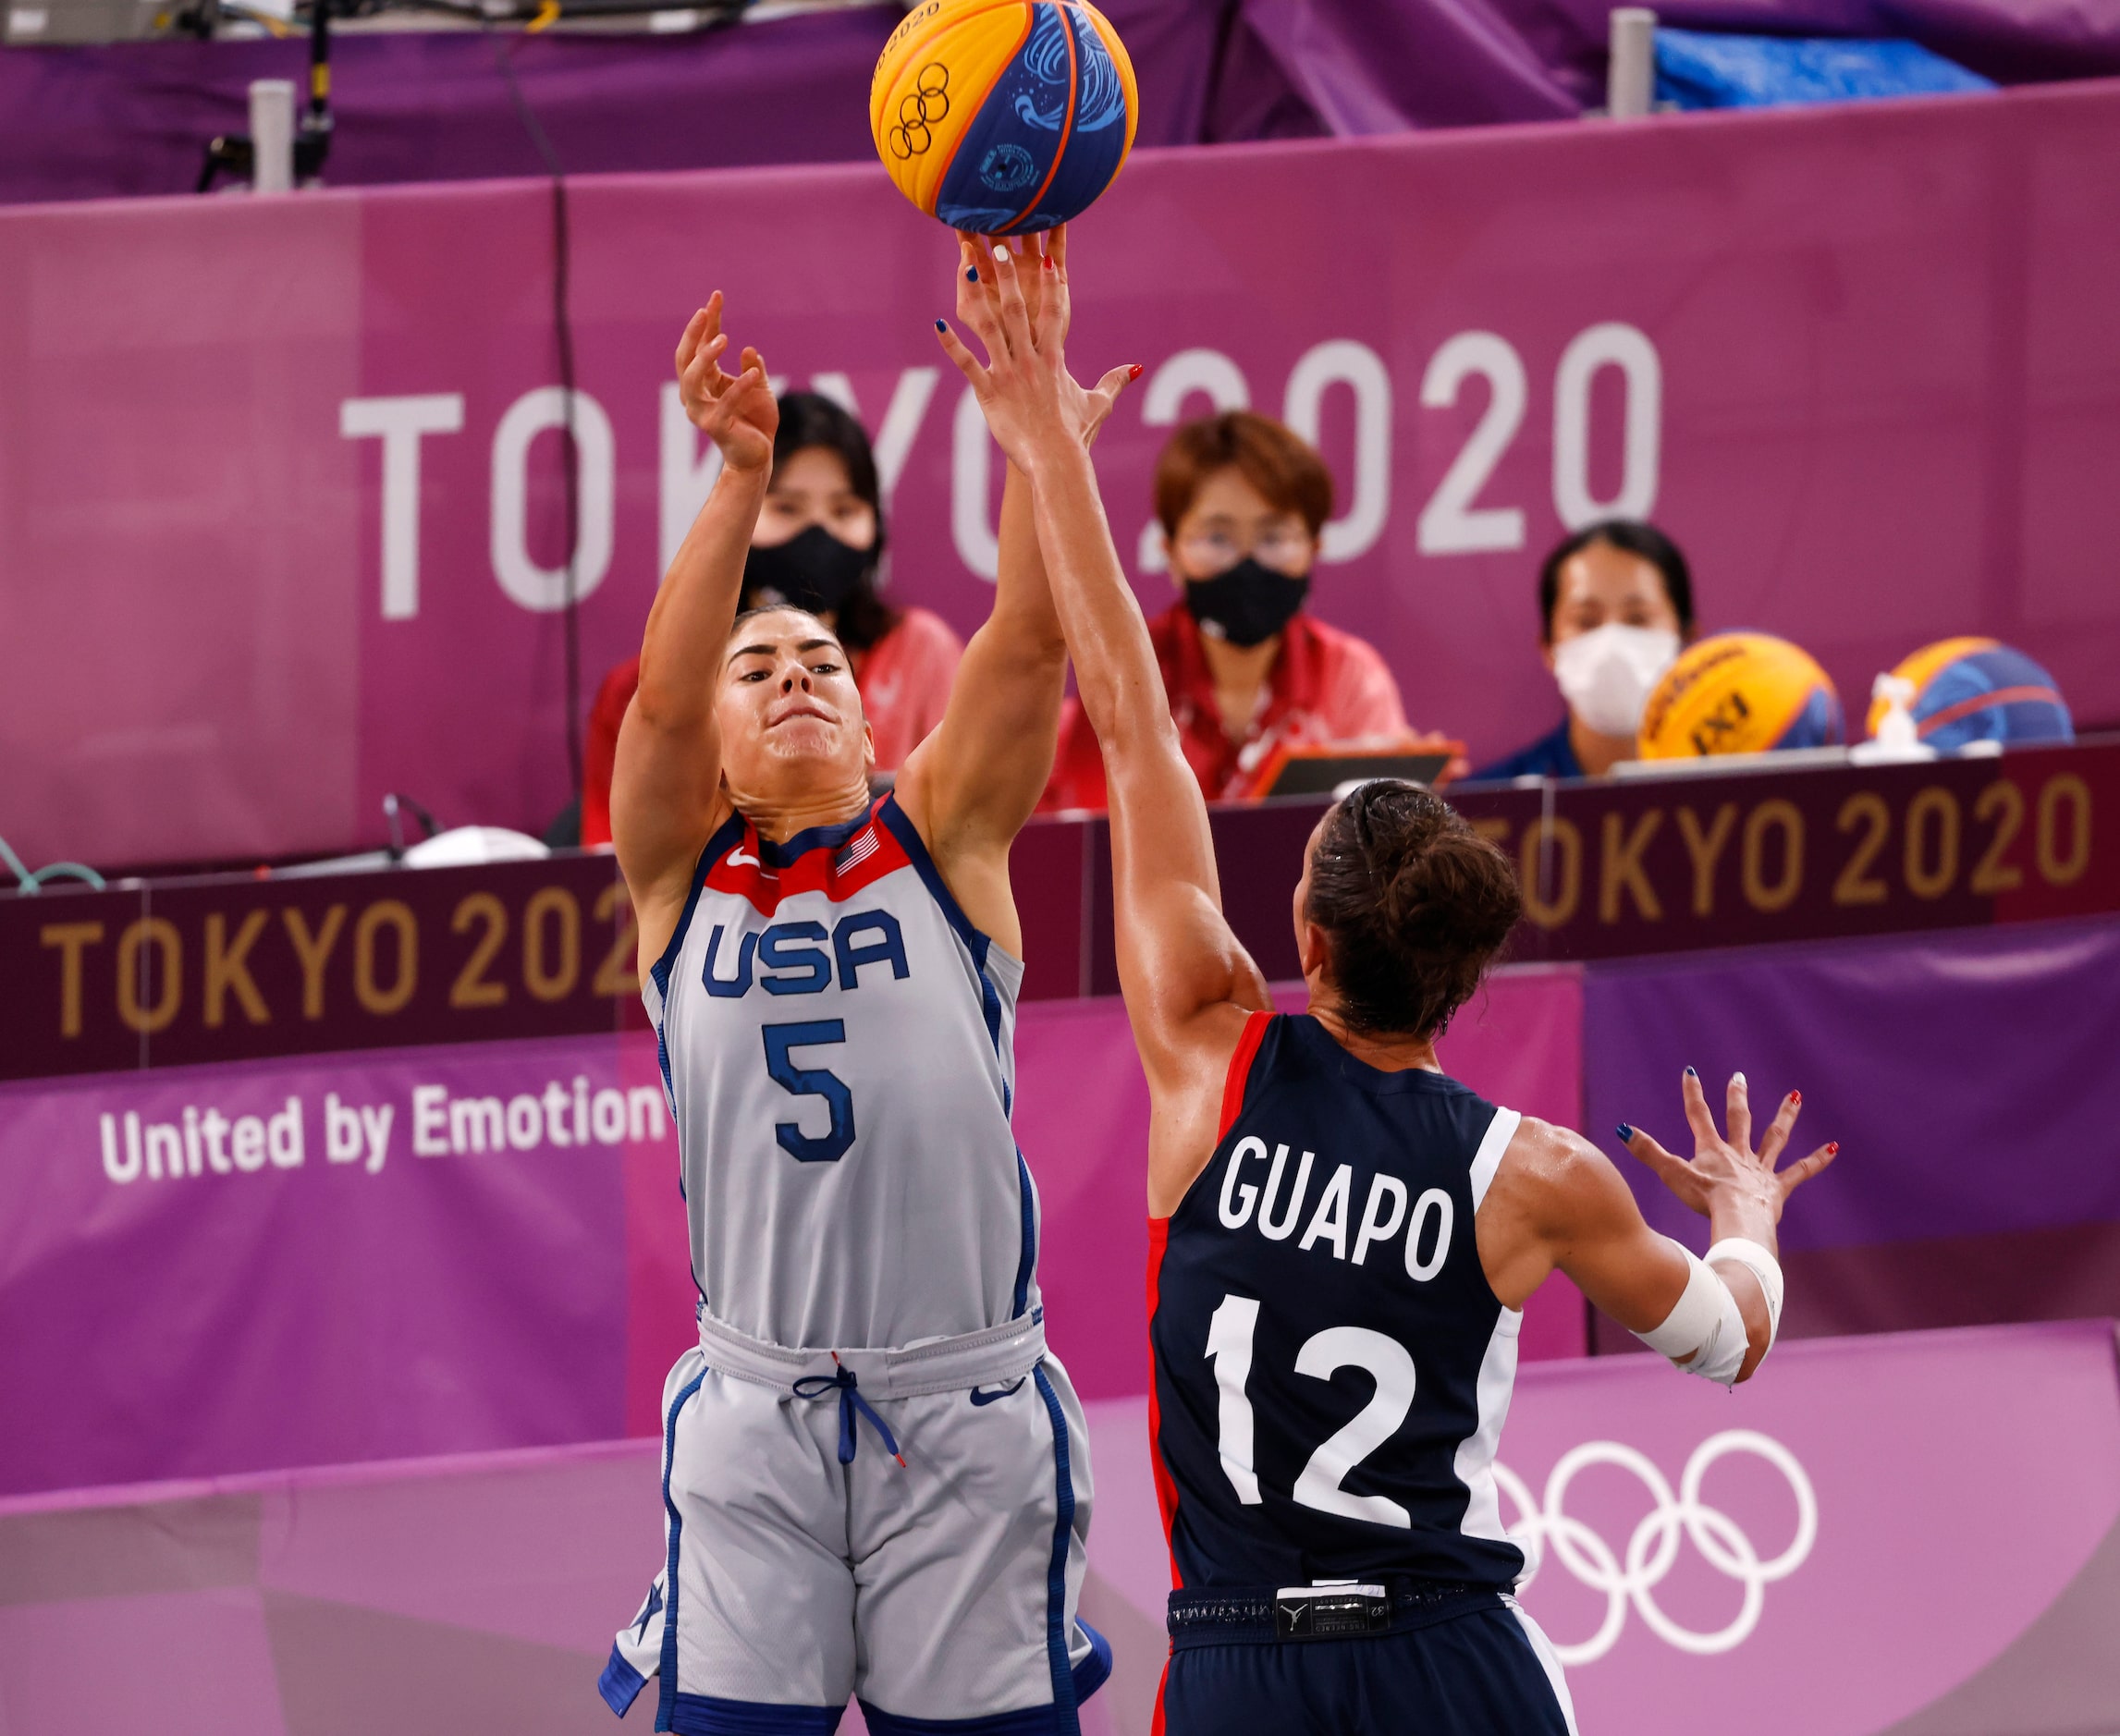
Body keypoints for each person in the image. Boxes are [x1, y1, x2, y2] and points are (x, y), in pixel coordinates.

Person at [940, 245, 1837, 1734]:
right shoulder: (1535, 1172)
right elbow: (1731, 1340)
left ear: (1296, 923)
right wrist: (1743, 1211)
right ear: (1462, 974)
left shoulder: (1207, 1058)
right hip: (1447, 1662)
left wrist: (1044, 443)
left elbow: (1132, 716)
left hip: (1239, 1666)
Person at [597, 231, 1133, 1733]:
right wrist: (736, 477)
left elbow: (1029, 646)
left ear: (871, 704)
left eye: (821, 658)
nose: (793, 674)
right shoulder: (676, 881)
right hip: (757, 1414)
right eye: (753, 666)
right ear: (712, 739)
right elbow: (653, 702)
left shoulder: (943, 836)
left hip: (963, 1412)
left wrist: (1032, 439)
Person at [577, 393, 962, 848]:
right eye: (787, 508)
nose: (796, 682)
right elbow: (621, 878)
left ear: (867, 741)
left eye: (844, 510)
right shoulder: (651, 697)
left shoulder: (924, 649)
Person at [1039, 410, 1427, 811]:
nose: (1247, 562)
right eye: (1218, 536)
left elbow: (1377, 851)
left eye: (1274, 535)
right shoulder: (1122, 672)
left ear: (1314, 548)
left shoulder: (1349, 675)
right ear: (1170, 552)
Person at [1472, 519, 1696, 782]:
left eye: (1638, 618)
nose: (1612, 645)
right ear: (1548, 647)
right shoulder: (1488, 809)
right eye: (1586, 621)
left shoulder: (1737, 795)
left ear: (1686, 639)